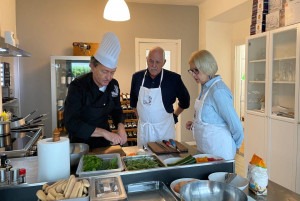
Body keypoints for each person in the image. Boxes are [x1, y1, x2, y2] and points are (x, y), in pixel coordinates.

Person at [64, 32, 127, 149]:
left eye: (112, 72)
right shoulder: (78, 86)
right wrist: (104, 132)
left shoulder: (113, 84)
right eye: (104, 71)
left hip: (104, 143)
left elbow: (117, 109)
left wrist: (120, 126)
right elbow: (71, 123)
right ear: (92, 66)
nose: (109, 77)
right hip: (80, 144)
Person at [185, 50, 244, 160]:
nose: (193, 75)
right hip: (206, 150)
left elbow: (236, 126)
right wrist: (195, 124)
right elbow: (212, 119)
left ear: (206, 68)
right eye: (191, 71)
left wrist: (235, 146)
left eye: (196, 71)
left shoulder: (218, 91)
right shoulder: (205, 88)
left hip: (220, 152)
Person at [130, 46, 190, 148]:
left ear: (164, 62)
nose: (153, 65)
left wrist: (175, 115)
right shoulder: (137, 77)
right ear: (147, 60)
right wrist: (143, 118)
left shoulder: (174, 79)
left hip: (164, 130)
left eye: (157, 62)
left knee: (165, 158)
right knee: (145, 159)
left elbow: (185, 101)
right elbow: (133, 103)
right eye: (151, 61)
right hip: (144, 130)